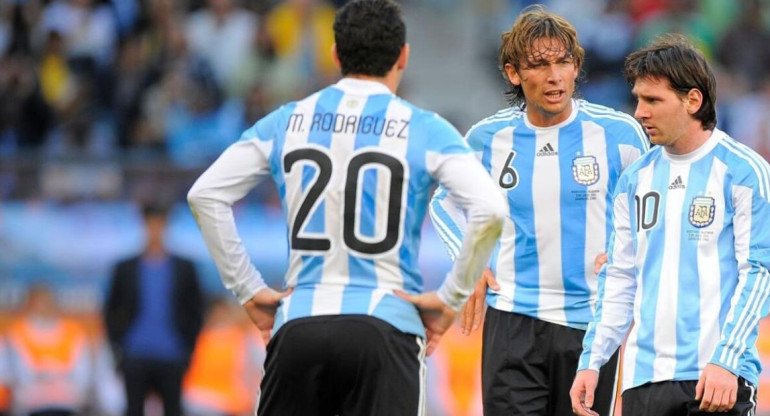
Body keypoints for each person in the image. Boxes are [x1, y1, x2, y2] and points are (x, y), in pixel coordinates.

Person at [187, 0, 507, 414]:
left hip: (299, 323)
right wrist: (450, 299)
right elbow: (490, 209)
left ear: (335, 54)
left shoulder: (289, 120)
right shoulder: (425, 128)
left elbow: (205, 194)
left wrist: (247, 289)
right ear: (403, 57)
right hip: (387, 325)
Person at [429, 5, 649, 415]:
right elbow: (444, 204)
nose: (554, 76)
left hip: (591, 326)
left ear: (577, 66)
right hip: (513, 318)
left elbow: (652, 211)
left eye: (564, 61)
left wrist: (630, 258)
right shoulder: (487, 139)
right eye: (540, 64)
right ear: (514, 73)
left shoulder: (620, 135)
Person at [571, 34, 770, 416]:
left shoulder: (744, 172)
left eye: (653, 100)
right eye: (638, 100)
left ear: (692, 100)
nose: (640, 112)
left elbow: (758, 273)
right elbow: (619, 277)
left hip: (716, 378)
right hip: (643, 381)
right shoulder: (634, 180)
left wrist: (726, 360)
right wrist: (591, 362)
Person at [104, 203, 205, 416]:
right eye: (151, 224)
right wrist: (118, 347)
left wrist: (188, 347)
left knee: (173, 409)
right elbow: (110, 310)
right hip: (135, 354)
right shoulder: (126, 268)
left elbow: (197, 309)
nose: (155, 229)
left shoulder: (184, 268)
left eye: (160, 224)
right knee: (134, 409)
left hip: (173, 354)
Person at [3, 285, 93, 416]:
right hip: (30, 402)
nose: (43, 307)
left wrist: (61, 382)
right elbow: (18, 374)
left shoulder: (72, 332)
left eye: (46, 302)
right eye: (37, 303)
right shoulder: (16, 333)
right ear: (28, 305)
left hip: (67, 401)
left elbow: (82, 373)